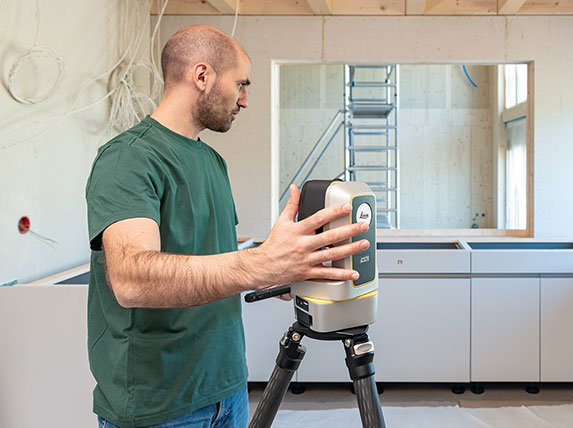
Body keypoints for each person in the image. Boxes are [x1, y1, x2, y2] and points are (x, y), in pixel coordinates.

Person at [85, 25, 368, 428]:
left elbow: (209, 259)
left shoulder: (213, 162)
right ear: (202, 77)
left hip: (228, 389)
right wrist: (258, 264)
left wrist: (279, 269)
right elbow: (132, 280)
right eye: (241, 84)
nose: (245, 99)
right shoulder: (129, 159)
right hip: (159, 406)